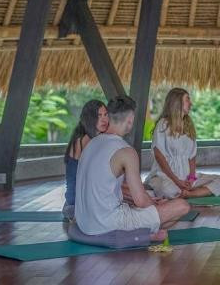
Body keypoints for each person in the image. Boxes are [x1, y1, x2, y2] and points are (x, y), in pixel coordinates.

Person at [75, 95, 190, 242]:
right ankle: (139, 236)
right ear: (130, 120)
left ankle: (142, 233)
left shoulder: (90, 143)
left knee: (148, 199)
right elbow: (141, 201)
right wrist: (155, 207)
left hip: (84, 223)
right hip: (107, 224)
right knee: (182, 206)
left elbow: (105, 188)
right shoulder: (126, 151)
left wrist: (152, 203)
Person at [144, 88, 220, 199]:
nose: (191, 103)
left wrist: (191, 178)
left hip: (187, 178)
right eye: (187, 100)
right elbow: (159, 156)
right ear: (177, 102)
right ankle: (195, 192)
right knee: (168, 189)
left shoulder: (188, 125)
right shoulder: (163, 124)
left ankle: (189, 194)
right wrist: (177, 181)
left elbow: (192, 157)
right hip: (165, 177)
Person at [63, 100, 109, 220]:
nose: (104, 119)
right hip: (76, 204)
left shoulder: (94, 137)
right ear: (89, 118)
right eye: (99, 116)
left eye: (105, 115)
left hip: (77, 201)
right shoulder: (85, 140)